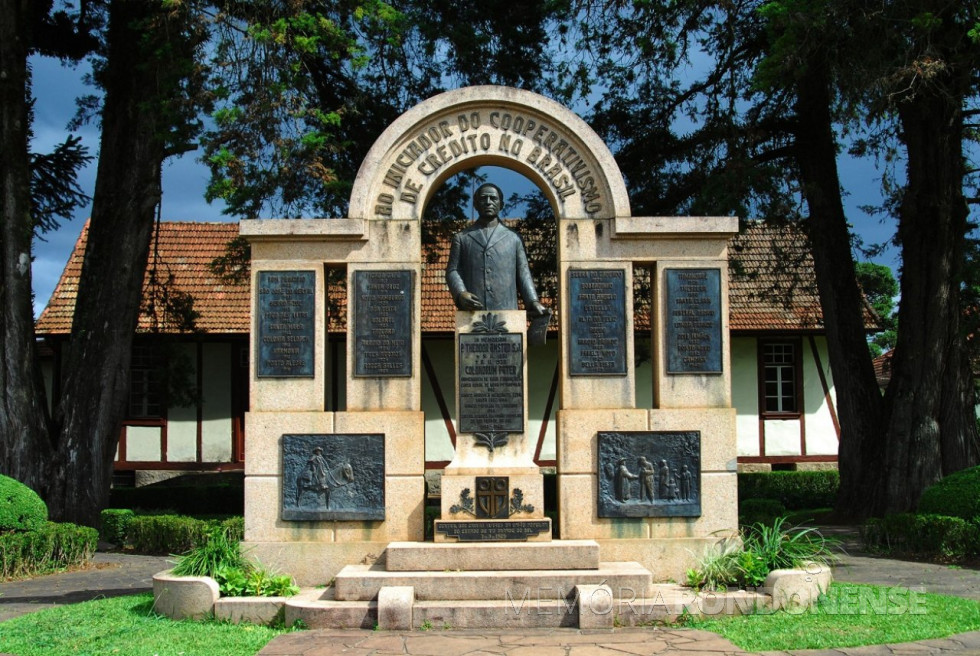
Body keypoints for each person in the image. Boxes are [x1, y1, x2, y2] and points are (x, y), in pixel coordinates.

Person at [446, 183, 548, 316]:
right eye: (483, 198)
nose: (488, 202)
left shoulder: (514, 238)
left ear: (501, 204)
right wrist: (460, 294)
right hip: (473, 312)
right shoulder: (462, 238)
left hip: (507, 311)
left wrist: (533, 301)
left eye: (493, 198)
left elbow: (523, 272)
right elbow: (453, 270)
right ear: (475, 204)